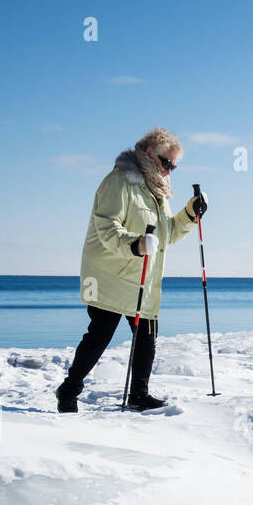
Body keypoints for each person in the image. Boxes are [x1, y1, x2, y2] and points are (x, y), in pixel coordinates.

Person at [56, 127, 207, 412]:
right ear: (148, 153)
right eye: (166, 162)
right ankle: (69, 390)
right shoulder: (119, 181)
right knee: (100, 334)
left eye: (174, 166)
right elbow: (106, 227)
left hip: (144, 277)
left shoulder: (157, 191)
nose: (169, 170)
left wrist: (190, 213)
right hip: (110, 273)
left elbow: (166, 235)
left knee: (147, 336)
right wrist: (135, 244)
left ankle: (139, 394)